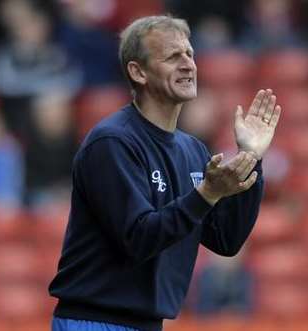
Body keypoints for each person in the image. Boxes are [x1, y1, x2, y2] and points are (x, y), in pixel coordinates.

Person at [49, 15, 281, 331]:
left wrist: (251, 157)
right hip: (95, 321)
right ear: (138, 72)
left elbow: (226, 240)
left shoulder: (193, 150)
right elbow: (139, 239)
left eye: (190, 54)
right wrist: (207, 194)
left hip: (148, 324)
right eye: (173, 57)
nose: (188, 64)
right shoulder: (113, 143)